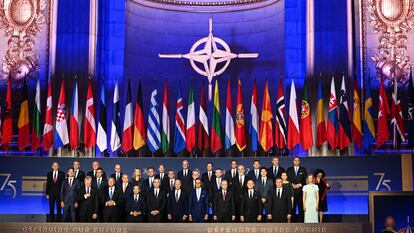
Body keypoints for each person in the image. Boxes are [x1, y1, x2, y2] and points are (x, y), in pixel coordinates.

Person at [286, 156, 307, 222]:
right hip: (291, 192)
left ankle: (301, 221)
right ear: (293, 161)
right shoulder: (289, 169)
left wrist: (299, 184)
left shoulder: (303, 169)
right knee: (292, 207)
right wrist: (292, 184)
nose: (296, 161)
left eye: (298, 160)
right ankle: (293, 222)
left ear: (299, 162)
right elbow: (287, 179)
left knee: (301, 208)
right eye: (295, 160)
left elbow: (305, 180)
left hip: (300, 192)